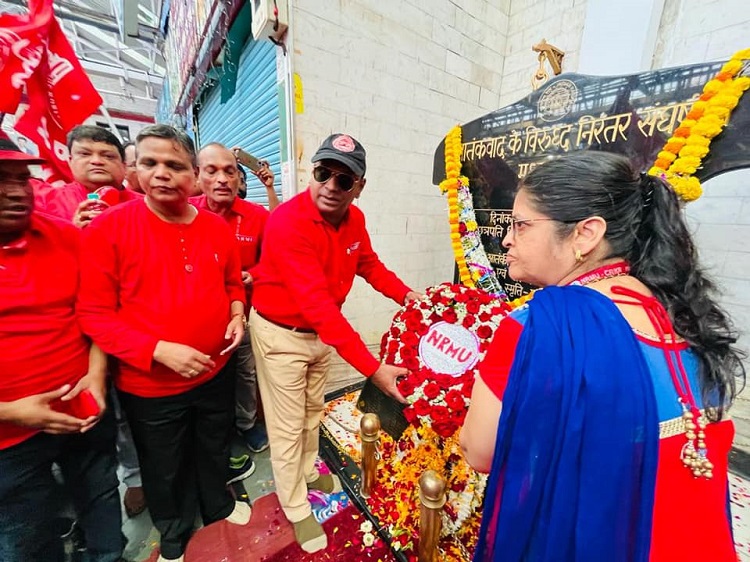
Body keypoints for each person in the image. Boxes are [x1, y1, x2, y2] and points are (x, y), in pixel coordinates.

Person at [460, 152, 744, 562]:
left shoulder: (537, 325)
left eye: (521, 225)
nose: (507, 239)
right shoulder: (685, 313)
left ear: (585, 234)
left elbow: (478, 450)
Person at [77, 124, 251, 562]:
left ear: (192, 175)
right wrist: (157, 350)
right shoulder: (110, 228)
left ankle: (218, 506)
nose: (161, 174)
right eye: (150, 163)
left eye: (174, 165)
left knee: (213, 447)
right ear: (135, 170)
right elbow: (94, 315)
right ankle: (173, 528)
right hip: (150, 385)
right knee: (163, 463)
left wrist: (235, 313)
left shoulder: (216, 228)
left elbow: (233, 282)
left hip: (216, 370)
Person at [248, 133, 421, 553]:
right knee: (287, 429)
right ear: (314, 172)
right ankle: (295, 507)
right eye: (323, 173)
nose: (330, 185)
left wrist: (411, 298)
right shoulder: (287, 222)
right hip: (281, 335)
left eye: (344, 180)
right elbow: (320, 309)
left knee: (313, 411)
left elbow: (370, 265)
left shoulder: (355, 220)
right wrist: (373, 370)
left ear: (358, 187)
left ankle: (308, 471)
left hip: (319, 338)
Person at [0, 137, 123, 561]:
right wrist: (14, 412)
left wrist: (96, 375)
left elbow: (95, 313)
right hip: (9, 439)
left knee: (102, 499)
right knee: (26, 538)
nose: (16, 190)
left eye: (22, 178)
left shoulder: (66, 237)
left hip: (84, 407)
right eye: (1, 179)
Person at [195, 142, 271, 459]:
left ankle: (246, 423)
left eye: (230, 172)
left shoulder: (256, 217)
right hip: (197, 318)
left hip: (243, 316)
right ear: (197, 176)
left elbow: (276, 259)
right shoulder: (184, 211)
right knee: (205, 379)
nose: (222, 180)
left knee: (244, 373)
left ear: (240, 181)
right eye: (212, 171)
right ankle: (213, 433)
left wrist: (254, 273)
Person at [38, 125, 141, 228]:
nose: (96, 161)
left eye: (108, 156)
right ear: (70, 161)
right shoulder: (45, 202)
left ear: (124, 165)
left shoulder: (148, 204)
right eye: (85, 154)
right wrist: (71, 233)